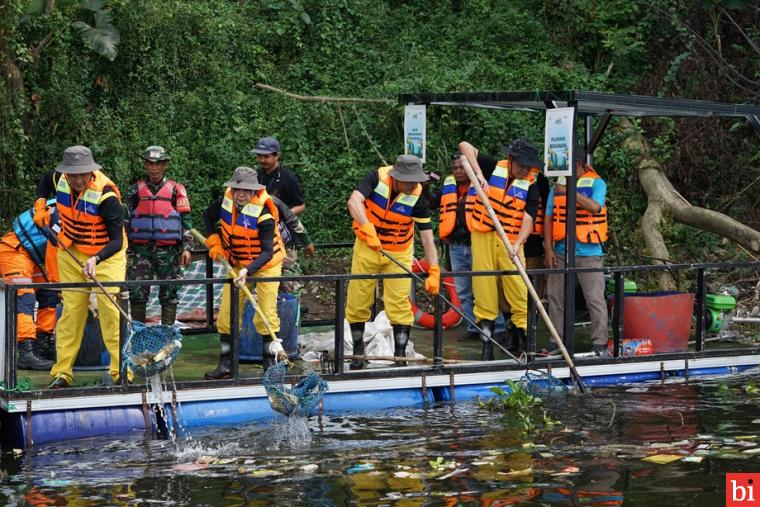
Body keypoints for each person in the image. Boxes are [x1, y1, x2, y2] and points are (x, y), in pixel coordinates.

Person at [37, 146, 129, 388]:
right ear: (66, 173)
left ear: (92, 172)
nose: (78, 180)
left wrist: (96, 259)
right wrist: (40, 204)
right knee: (71, 312)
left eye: (83, 174)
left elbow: (117, 240)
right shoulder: (60, 179)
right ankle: (62, 373)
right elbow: (45, 181)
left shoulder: (107, 195)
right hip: (71, 250)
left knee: (109, 311)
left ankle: (121, 372)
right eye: (73, 175)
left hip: (107, 255)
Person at [345, 154, 440, 369]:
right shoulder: (375, 179)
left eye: (415, 181)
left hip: (399, 252)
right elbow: (354, 201)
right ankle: (359, 353)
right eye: (408, 181)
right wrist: (367, 227)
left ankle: (400, 357)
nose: (412, 185)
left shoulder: (418, 196)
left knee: (399, 302)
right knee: (359, 297)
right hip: (368, 245)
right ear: (395, 177)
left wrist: (434, 269)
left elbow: (426, 236)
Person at [459, 139, 541, 360]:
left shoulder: (531, 185)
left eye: (529, 166)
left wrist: (517, 243)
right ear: (511, 160)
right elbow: (465, 146)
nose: (525, 170)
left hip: (511, 242)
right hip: (484, 235)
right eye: (522, 164)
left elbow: (528, 218)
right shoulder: (494, 167)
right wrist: (479, 175)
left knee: (518, 290)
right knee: (484, 288)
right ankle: (487, 350)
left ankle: (527, 348)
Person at [203, 166, 285, 379]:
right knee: (226, 315)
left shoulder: (264, 214)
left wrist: (249, 270)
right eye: (237, 189)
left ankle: (270, 367)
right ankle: (226, 365)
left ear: (254, 191)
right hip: (237, 262)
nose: (240, 194)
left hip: (266, 264)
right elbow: (207, 217)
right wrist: (215, 243)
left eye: (246, 190)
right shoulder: (225, 203)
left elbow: (268, 252)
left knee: (266, 314)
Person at [432, 153, 506, 342]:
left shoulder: (482, 184)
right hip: (456, 247)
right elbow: (431, 203)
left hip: (477, 245)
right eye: (455, 168)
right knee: (463, 291)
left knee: (486, 287)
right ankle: (473, 327)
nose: (458, 171)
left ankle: (498, 328)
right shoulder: (448, 186)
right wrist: (424, 187)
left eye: (461, 167)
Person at [544, 157, 609, 356]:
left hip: (589, 253)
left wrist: (571, 191)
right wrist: (548, 248)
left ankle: (600, 343)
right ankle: (556, 340)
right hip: (561, 251)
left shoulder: (597, 182)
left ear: (578, 163)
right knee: (555, 296)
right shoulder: (558, 186)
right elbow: (548, 216)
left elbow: (594, 207)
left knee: (594, 298)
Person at [125, 146, 193, 326]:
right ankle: (138, 333)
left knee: (170, 293)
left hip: (169, 250)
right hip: (141, 250)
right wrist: (126, 247)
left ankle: (167, 334)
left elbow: (186, 221)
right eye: (150, 164)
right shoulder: (134, 191)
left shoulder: (176, 190)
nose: (154, 168)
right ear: (145, 165)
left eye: (158, 164)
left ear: (165, 165)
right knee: (137, 293)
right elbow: (126, 220)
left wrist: (186, 248)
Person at [0, 199, 60, 370]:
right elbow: (56, 250)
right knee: (25, 297)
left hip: (34, 258)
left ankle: (43, 344)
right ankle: (26, 352)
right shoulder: (58, 214)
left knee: (50, 294)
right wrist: (59, 283)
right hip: (14, 251)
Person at [271, 194, 315, 294]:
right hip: (255, 253)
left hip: (283, 247)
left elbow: (292, 220)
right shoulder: (234, 204)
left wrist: (307, 242)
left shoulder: (272, 201)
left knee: (289, 283)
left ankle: (291, 306)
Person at [253, 136, 305, 215]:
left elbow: (300, 206)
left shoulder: (288, 178)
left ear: (277, 156)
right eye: (259, 156)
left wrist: (283, 217)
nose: (262, 160)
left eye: (266, 157)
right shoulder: (255, 175)